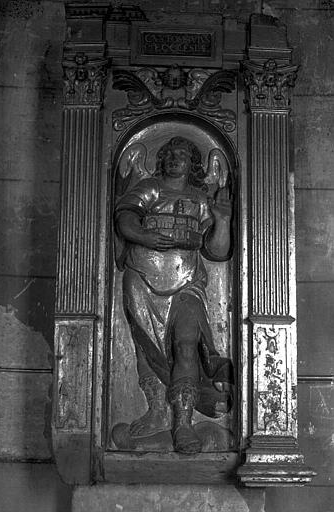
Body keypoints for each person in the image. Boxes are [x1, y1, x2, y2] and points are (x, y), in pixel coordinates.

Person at [115, 136, 234, 454]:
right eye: (169, 153)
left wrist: (222, 221)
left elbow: (218, 251)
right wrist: (144, 236)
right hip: (142, 278)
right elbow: (124, 217)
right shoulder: (150, 187)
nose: (173, 158)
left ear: (193, 163)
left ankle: (183, 424)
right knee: (147, 348)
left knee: (186, 344)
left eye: (181, 154)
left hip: (187, 283)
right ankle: (156, 411)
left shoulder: (200, 197)